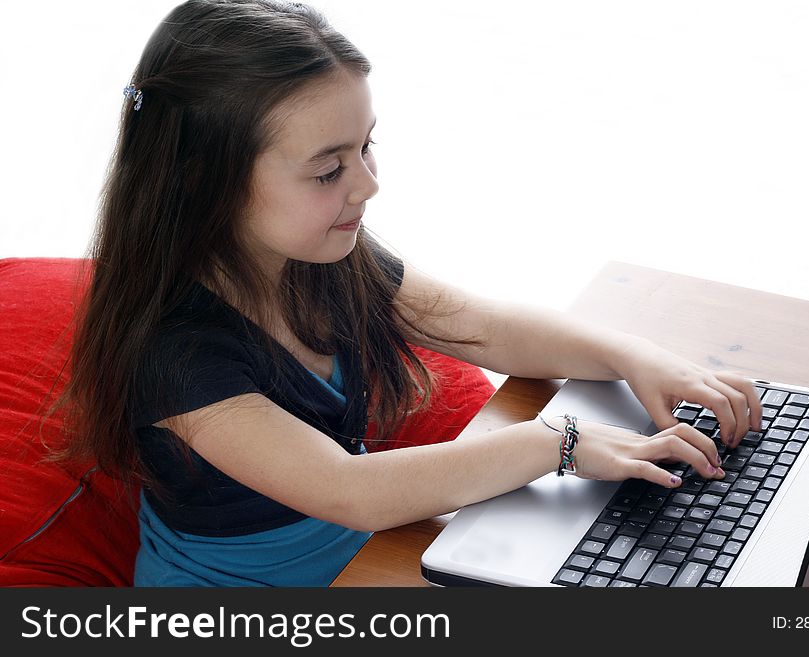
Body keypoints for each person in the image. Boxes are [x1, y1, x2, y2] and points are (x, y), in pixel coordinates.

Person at [53, 0, 763, 586]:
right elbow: (349, 490)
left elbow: (479, 328)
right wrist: (561, 442)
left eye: (366, 147)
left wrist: (634, 355)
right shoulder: (176, 352)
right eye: (328, 169)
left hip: (368, 556)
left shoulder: (325, 256)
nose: (367, 184)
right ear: (203, 179)